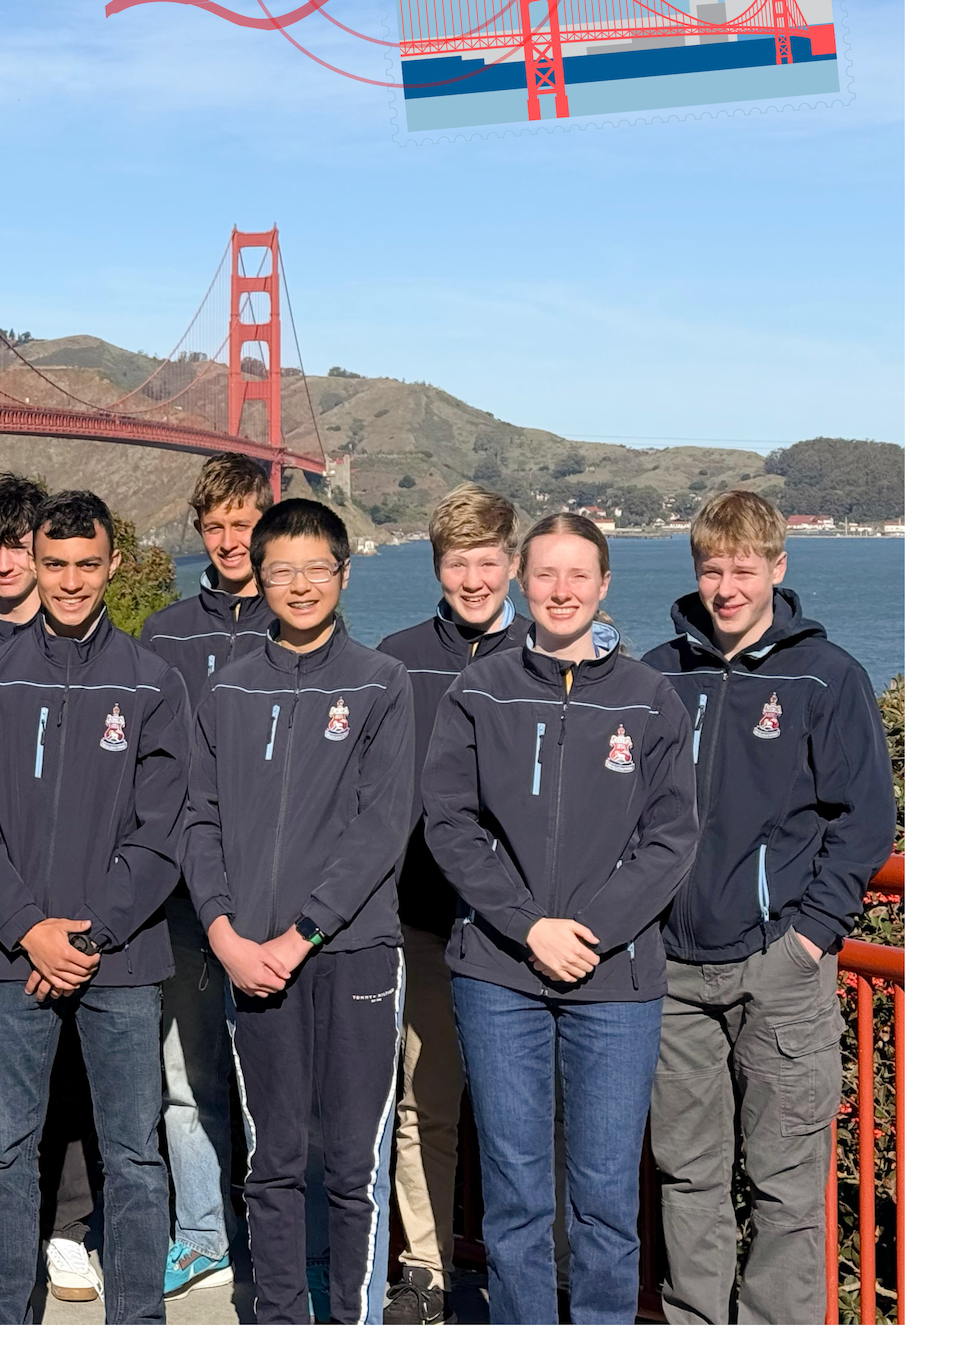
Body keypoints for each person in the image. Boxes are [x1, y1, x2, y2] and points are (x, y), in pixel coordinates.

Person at [422, 512, 699, 1325]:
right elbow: (450, 821)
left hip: (617, 981)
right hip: (499, 972)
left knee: (608, 1199)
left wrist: (590, 931)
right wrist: (526, 924)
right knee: (515, 1199)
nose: (562, 590)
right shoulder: (479, 691)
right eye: (545, 574)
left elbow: (672, 836)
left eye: (580, 575)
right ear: (521, 580)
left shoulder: (651, 699)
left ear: (606, 584)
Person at [642, 490, 896, 1324]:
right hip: (672, 975)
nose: (726, 586)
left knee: (787, 1188)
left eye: (744, 568)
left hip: (778, 971)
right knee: (688, 1176)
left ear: (778, 569)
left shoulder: (827, 677)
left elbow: (865, 826)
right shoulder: (658, 674)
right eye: (712, 568)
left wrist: (810, 939)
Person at [0, 489, 186, 1326]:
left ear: (114, 564)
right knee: (7, 1152)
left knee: (134, 1156)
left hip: (122, 958)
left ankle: (138, 1324)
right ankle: (5, 1319)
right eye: (55, 564)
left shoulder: (152, 681)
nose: (71, 581)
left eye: (88, 565)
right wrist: (30, 929)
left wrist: (88, 935)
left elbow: (165, 831)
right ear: (32, 566)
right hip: (10, 956)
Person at [183, 496, 414, 1326]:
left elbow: (382, 827)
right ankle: (279, 1323)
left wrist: (300, 933)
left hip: (351, 956)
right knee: (273, 1160)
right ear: (258, 574)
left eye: (318, 569)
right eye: (282, 569)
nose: (300, 584)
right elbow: (197, 819)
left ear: (344, 576)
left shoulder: (382, 683)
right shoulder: (227, 689)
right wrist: (223, 931)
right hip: (247, 956)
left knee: (352, 1162)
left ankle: (352, 1327)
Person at [0, 473, 105, 1304]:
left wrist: (68, 928)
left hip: (78, 918)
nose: (6, 560)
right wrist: (18, 920)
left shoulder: (103, 649)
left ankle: (68, 1227)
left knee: (70, 1074)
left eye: (19, 544)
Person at [373, 482, 530, 1325]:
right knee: (423, 1107)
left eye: (488, 561)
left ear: (513, 562)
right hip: (424, 924)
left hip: (524, 940)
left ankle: (538, 1274)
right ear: (437, 567)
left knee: (527, 1117)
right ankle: (426, 1267)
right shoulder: (396, 660)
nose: (473, 579)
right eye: (456, 563)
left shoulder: (556, 654)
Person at [138, 452, 270, 1302]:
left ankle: (277, 1238)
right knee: (185, 1081)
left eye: (243, 522)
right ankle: (202, 1236)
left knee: (276, 1085)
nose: (228, 539)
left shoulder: (303, 625)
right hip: (184, 897)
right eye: (214, 525)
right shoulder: (163, 633)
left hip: (271, 896)